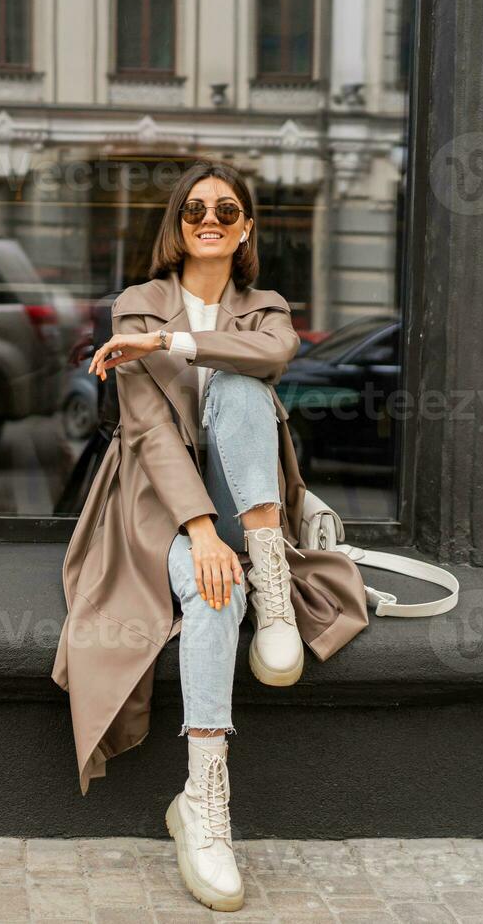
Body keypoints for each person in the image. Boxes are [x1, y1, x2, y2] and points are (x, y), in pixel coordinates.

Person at [79, 159, 305, 912]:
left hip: (251, 505)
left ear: (245, 230)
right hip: (162, 504)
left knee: (243, 389)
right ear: (176, 225)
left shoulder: (263, 306)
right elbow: (148, 431)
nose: (210, 219)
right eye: (195, 209)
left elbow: (272, 355)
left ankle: (274, 586)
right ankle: (203, 803)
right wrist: (205, 537)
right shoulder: (139, 303)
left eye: (228, 210)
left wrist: (172, 347)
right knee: (213, 596)